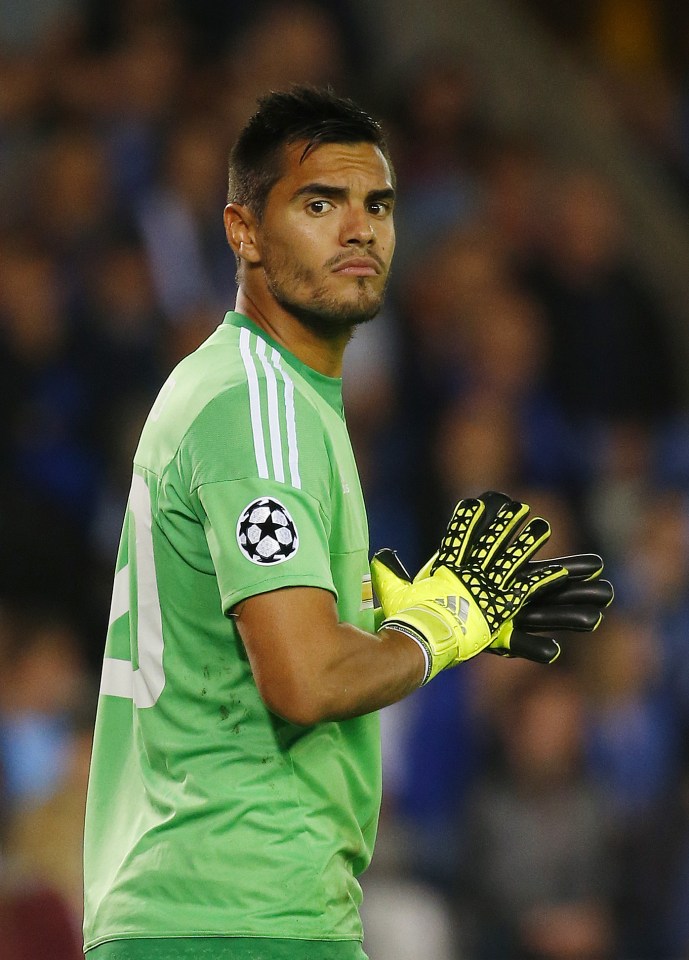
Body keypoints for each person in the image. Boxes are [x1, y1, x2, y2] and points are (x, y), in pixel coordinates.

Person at [82, 86, 611, 960]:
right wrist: (434, 631)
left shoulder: (249, 392)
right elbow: (302, 676)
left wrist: (376, 617)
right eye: (318, 202)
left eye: (377, 204)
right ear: (242, 230)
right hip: (240, 911)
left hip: (200, 904)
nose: (357, 227)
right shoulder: (260, 406)